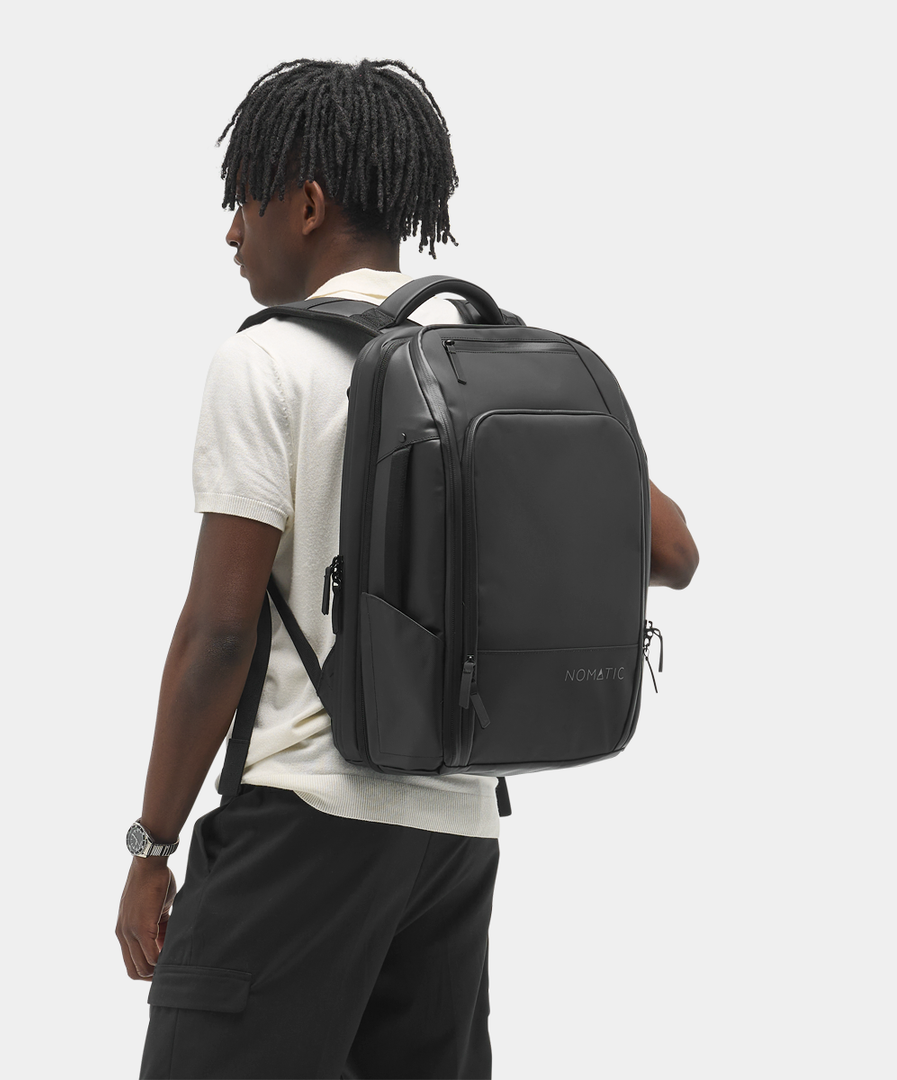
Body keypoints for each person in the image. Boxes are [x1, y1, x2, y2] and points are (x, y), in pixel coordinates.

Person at [116, 58, 699, 1080]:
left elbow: (219, 631)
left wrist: (151, 846)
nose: (232, 233)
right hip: (453, 838)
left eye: (244, 202)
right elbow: (673, 552)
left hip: (301, 822)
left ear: (306, 205)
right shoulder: (486, 367)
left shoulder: (266, 362)